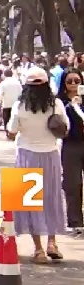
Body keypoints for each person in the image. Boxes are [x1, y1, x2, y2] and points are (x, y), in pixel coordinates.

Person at [7, 66, 68, 262]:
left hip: (26, 155)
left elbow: (11, 131)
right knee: (52, 199)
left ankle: (38, 249)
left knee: (28, 202)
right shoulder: (56, 104)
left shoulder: (19, 106)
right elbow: (65, 128)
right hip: (50, 155)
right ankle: (52, 242)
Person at [57, 67, 84, 236]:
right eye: (69, 81)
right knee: (72, 183)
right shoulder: (59, 101)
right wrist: (70, 106)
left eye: (77, 81)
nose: (73, 84)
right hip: (69, 144)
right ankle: (75, 221)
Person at [0, 67, 21, 132]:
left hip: (6, 105)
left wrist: (0, 102)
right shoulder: (17, 82)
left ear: (4, 75)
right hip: (16, 104)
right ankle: (13, 133)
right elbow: (20, 93)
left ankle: (7, 132)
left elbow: (0, 95)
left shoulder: (3, 83)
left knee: (6, 120)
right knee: (14, 120)